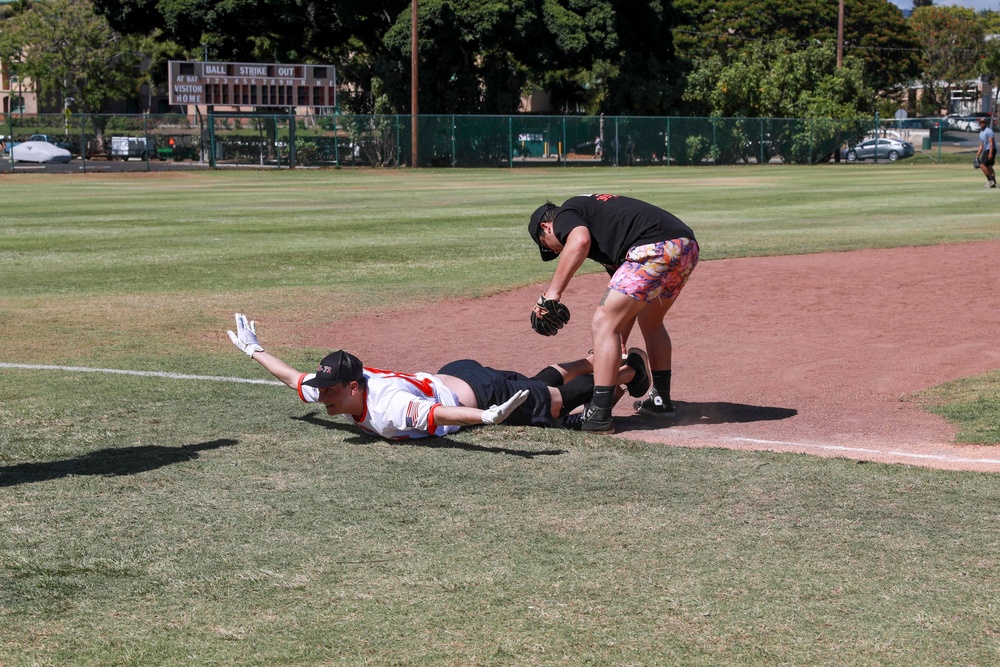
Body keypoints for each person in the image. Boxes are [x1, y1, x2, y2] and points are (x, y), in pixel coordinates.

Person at [227, 313, 650, 440]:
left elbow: (441, 414)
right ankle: (601, 362)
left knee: (555, 406)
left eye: (330, 392)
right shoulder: (345, 387)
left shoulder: (389, 408)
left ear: (353, 386)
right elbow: (293, 378)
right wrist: (253, 349)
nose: (323, 400)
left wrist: (485, 418)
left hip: (479, 393)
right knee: (537, 384)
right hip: (454, 372)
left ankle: (625, 370)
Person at [527, 194, 698, 434]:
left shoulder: (566, 213)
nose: (556, 249)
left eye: (547, 245)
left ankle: (599, 416)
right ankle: (660, 400)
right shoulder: (608, 236)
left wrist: (551, 295)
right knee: (650, 321)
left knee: (603, 321)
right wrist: (621, 344)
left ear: (546, 227)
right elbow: (624, 309)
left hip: (652, 248)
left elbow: (579, 241)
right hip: (684, 247)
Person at [976, 116, 996, 189]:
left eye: (983, 122)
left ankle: (990, 181)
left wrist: (990, 153)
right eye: (980, 122)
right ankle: (994, 182)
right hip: (986, 149)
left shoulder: (989, 131)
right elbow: (981, 145)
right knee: (989, 166)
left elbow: (991, 143)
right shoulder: (981, 133)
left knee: (981, 165)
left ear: (985, 123)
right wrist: (977, 155)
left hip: (990, 149)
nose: (982, 124)